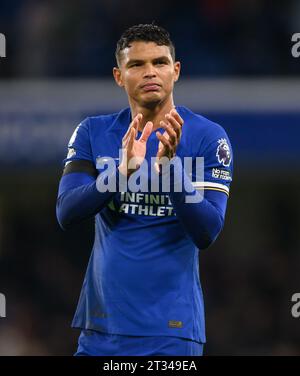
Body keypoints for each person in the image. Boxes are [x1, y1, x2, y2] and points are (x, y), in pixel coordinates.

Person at [56, 23, 233, 356]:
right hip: (101, 331)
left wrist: (169, 169)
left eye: (160, 62)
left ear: (176, 71)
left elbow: (207, 231)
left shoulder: (209, 137)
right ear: (118, 76)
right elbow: (66, 212)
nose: (150, 72)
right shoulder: (93, 133)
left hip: (172, 333)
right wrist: (121, 174)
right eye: (136, 64)